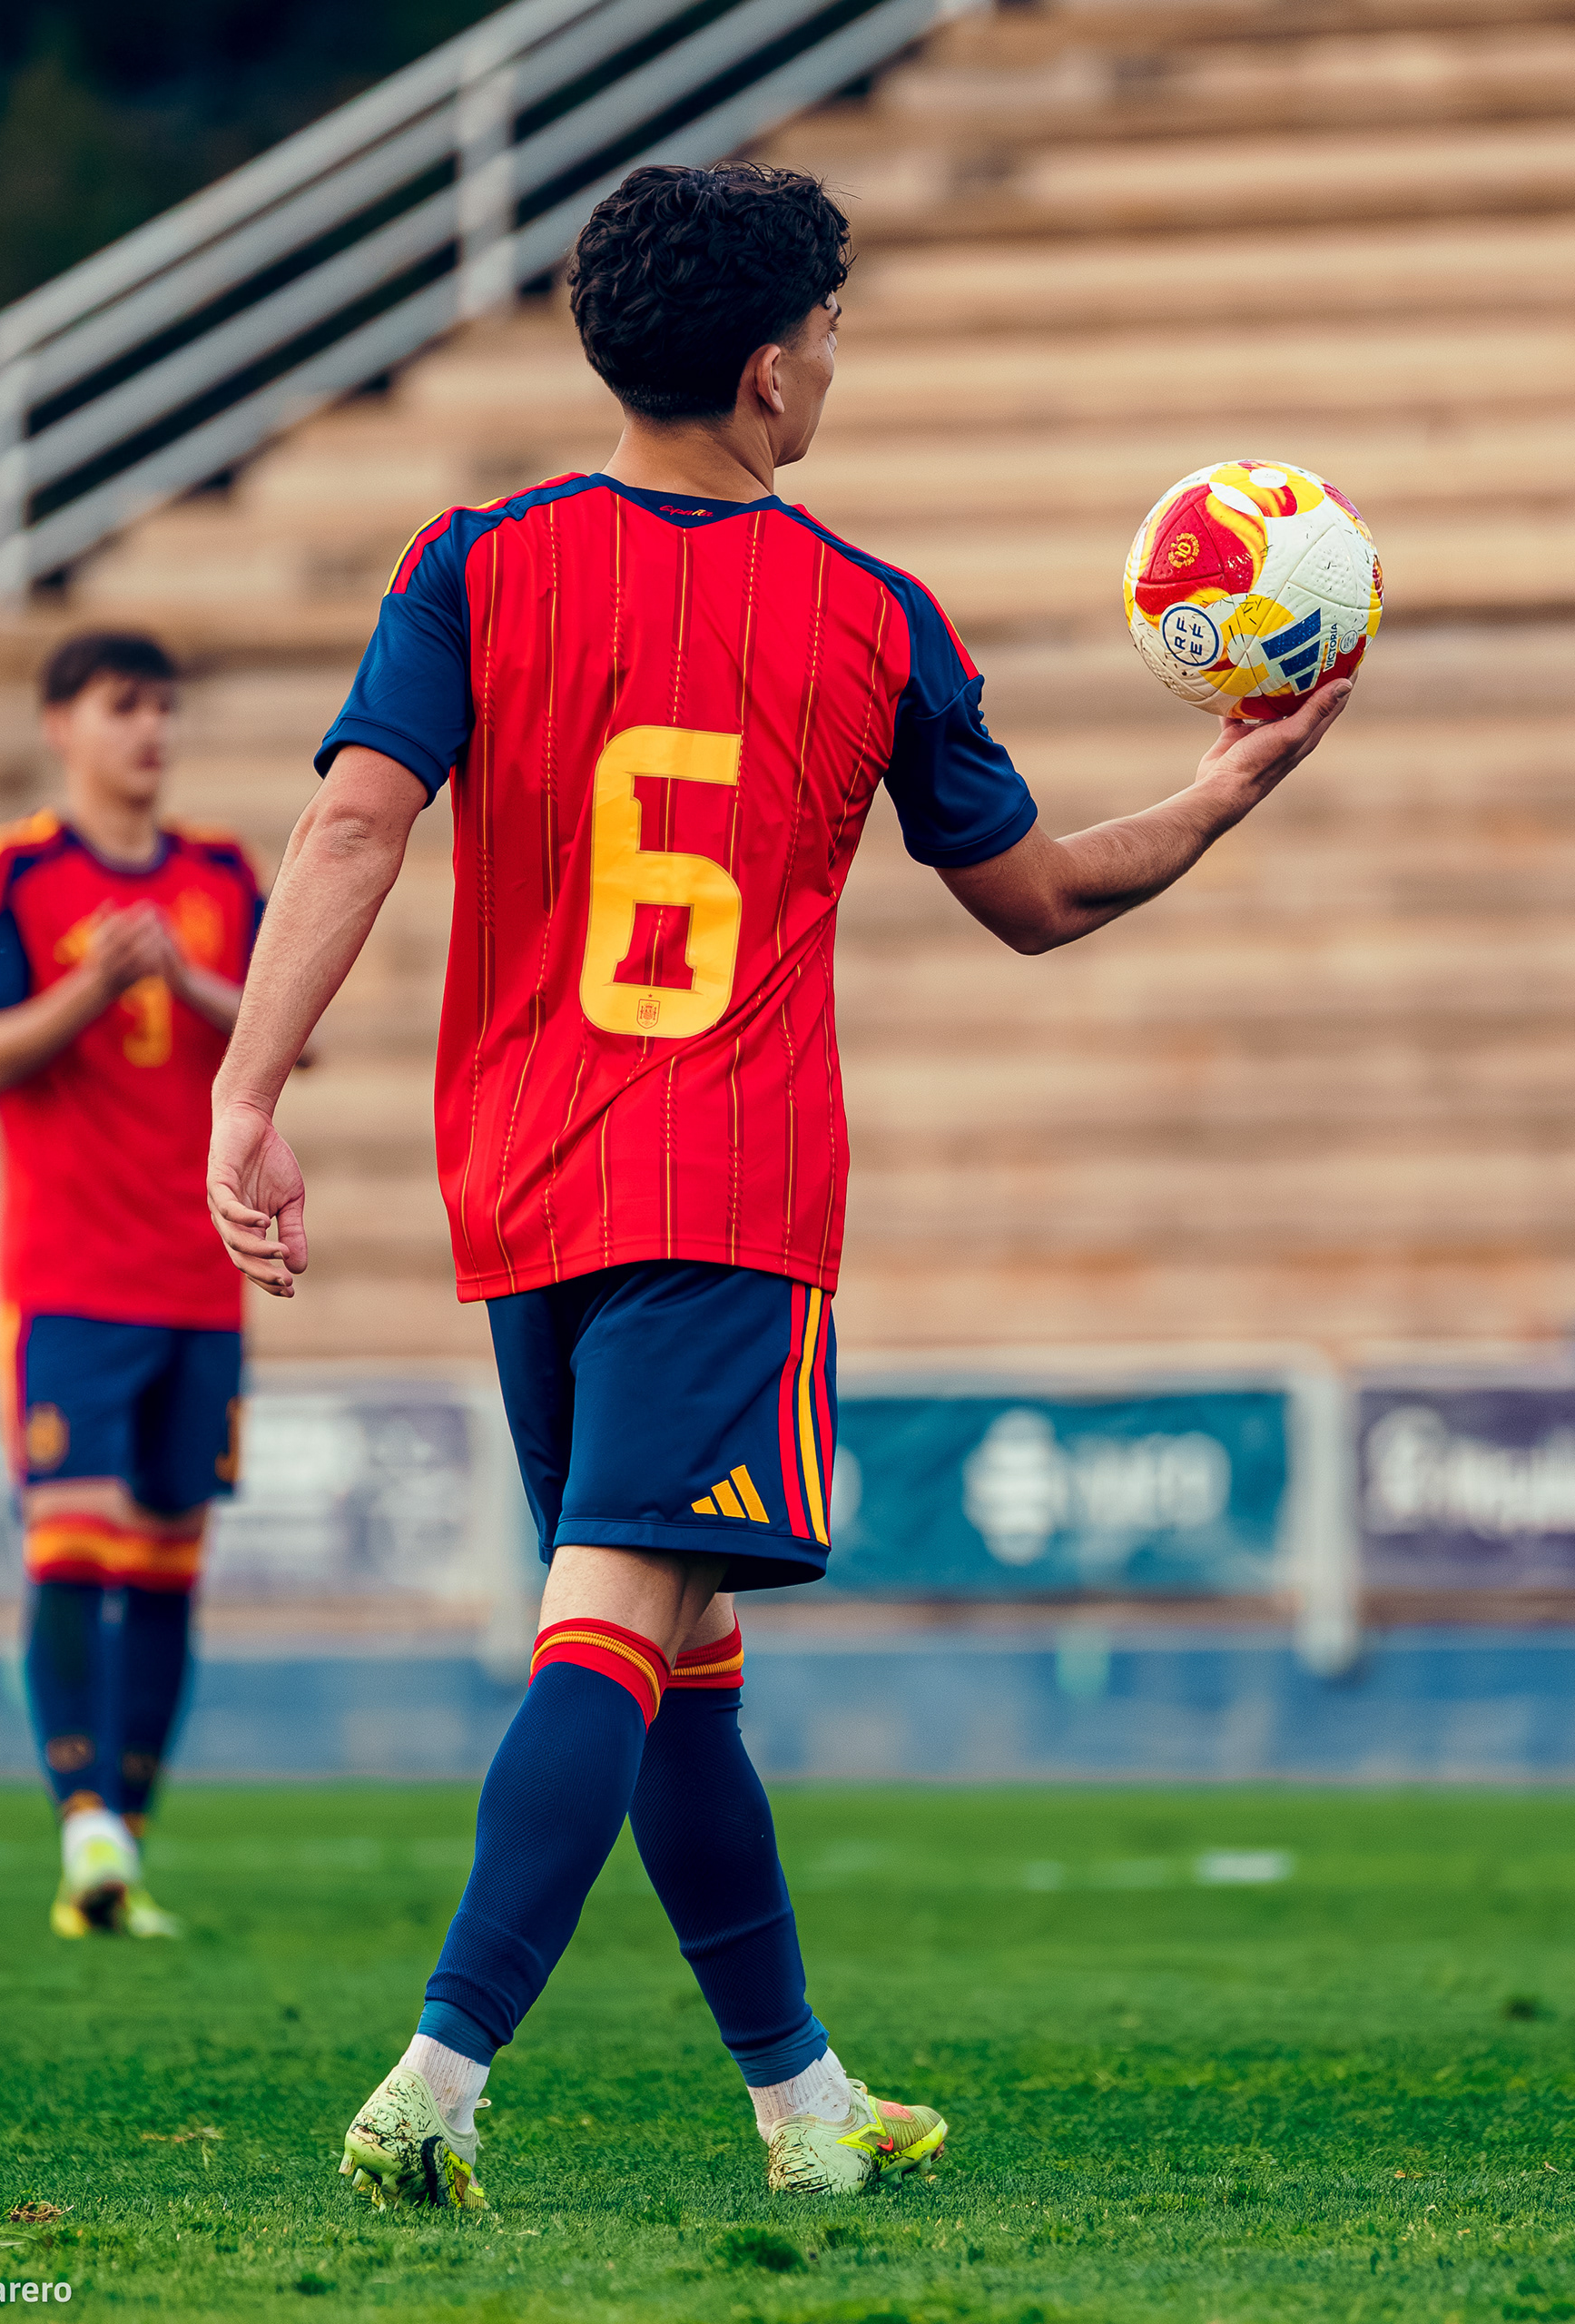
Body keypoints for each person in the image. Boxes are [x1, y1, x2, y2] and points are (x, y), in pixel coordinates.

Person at [206, 162, 1350, 2203]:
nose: (832, 362)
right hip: (723, 1196)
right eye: (826, 330)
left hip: (522, 1188)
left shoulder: (471, 559)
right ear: (764, 370)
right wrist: (1219, 792)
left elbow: (356, 827)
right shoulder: (870, 614)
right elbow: (1035, 895)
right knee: (615, 1623)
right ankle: (436, 2082)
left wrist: (249, 1086)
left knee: (678, 1659)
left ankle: (803, 2102)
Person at [0, 630, 263, 1939]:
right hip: (68, 1276)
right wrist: (95, 984)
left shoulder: (222, 872)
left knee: (172, 1565)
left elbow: (280, 1034)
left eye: (163, 708)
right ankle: (83, 1822)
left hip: (201, 1274)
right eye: (123, 706)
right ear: (60, 724)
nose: (149, 731)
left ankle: (122, 1846)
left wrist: (181, 976)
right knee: (71, 1544)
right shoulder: (15, 870)